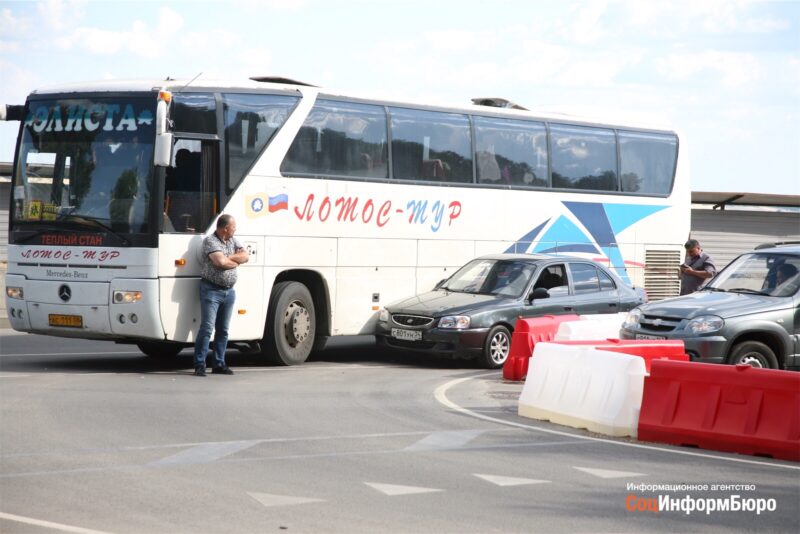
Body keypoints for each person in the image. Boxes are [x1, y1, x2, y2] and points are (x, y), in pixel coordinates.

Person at [193, 214, 249, 376]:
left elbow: (245, 256)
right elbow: (220, 263)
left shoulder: (233, 240)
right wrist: (233, 261)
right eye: (233, 227)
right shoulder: (211, 241)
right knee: (207, 328)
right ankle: (200, 364)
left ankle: (219, 363)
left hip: (229, 291)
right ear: (225, 228)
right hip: (211, 290)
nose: (235, 229)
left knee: (223, 330)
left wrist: (230, 258)